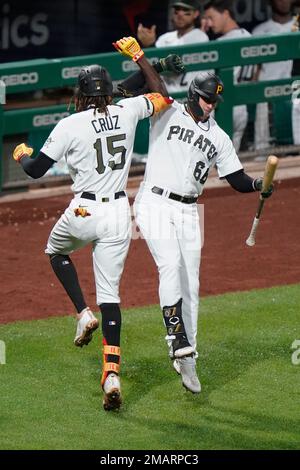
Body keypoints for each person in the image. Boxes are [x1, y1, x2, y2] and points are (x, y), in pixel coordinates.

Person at [12, 40, 172, 411]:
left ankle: (82, 313)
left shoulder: (69, 124)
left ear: (82, 95)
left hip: (84, 212)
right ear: (108, 91)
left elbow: (35, 170)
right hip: (119, 213)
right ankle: (112, 373)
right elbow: (161, 95)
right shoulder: (129, 109)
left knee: (55, 250)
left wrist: (21, 154)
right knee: (111, 297)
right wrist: (140, 57)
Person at [114, 36, 274, 394]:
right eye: (206, 99)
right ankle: (175, 337)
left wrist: (257, 185)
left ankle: (187, 357)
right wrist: (141, 57)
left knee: (193, 287)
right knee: (169, 265)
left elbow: (234, 178)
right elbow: (156, 85)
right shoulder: (167, 110)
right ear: (192, 95)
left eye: (215, 101)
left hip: (190, 211)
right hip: (153, 202)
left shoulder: (218, 137)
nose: (211, 106)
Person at [203, 0, 253, 151]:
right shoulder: (249, 36)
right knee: (230, 162)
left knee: (212, 161)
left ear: (226, 13)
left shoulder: (219, 43)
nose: (210, 24)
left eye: (212, 17)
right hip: (241, 107)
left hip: (222, 107)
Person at [137, 0, 209, 94]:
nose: (180, 14)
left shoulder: (200, 37)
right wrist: (147, 46)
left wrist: (151, 45)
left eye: (185, 10)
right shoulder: (164, 38)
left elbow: (175, 68)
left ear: (195, 14)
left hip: (188, 96)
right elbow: (153, 66)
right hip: (165, 97)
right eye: (177, 9)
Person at [252, 0, 295, 152]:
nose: (284, 2)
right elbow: (254, 72)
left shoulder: (297, 25)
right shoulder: (260, 31)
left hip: (294, 95)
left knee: (294, 147)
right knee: (263, 151)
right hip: (266, 98)